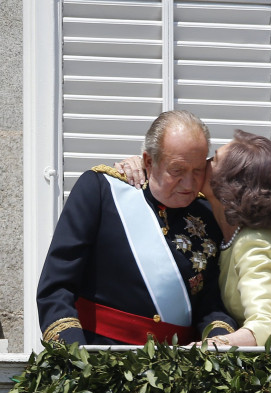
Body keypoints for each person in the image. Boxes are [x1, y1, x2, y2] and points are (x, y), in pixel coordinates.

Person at [37, 110, 238, 345]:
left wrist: (218, 344)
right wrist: (74, 357)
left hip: (179, 369)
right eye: (177, 170)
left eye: (197, 171)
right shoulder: (102, 191)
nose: (189, 183)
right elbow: (57, 287)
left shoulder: (206, 213)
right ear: (149, 162)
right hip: (99, 358)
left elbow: (211, 305)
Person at [117, 131, 271, 346]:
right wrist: (146, 165)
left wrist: (210, 347)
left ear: (233, 182)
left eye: (214, 159)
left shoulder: (256, 242)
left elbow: (266, 328)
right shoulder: (227, 233)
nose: (203, 163)